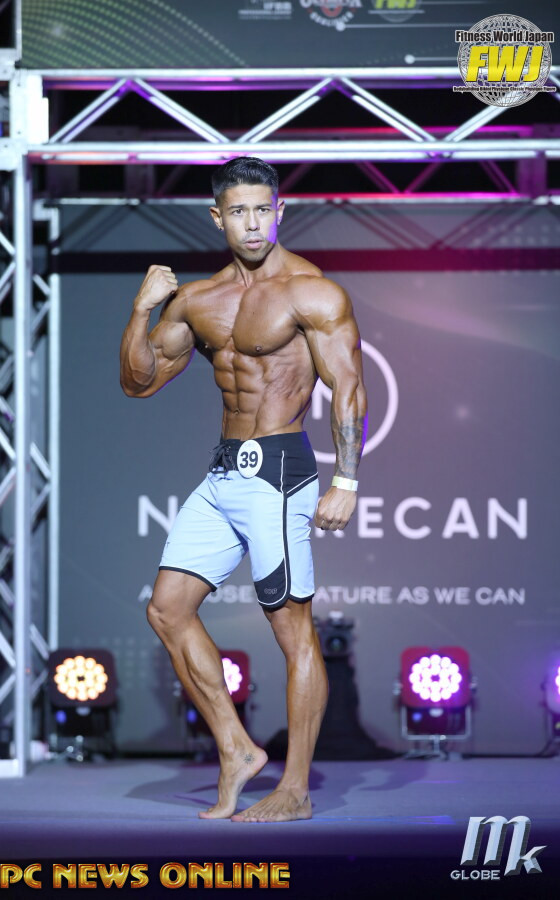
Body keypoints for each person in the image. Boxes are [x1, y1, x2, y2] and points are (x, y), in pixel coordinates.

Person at [119, 156, 367, 823]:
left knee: (292, 631)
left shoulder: (312, 293)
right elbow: (139, 382)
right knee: (167, 610)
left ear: (279, 212)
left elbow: (348, 386)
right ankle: (236, 748)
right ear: (217, 217)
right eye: (239, 212)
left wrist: (345, 479)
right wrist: (142, 311)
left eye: (263, 210)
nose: (253, 223)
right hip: (223, 472)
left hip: (280, 472)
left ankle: (296, 788)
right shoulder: (198, 300)